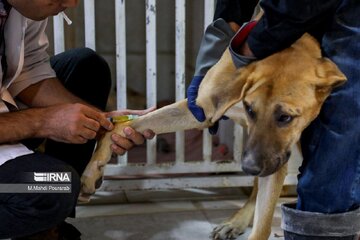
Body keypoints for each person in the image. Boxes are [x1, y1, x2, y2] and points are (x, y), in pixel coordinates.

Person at [188, 0, 360, 239]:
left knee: (340, 119)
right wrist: (214, 54)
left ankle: (322, 228)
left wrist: (250, 47)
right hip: (295, 14)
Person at [0, 0, 154, 239]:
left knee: (86, 67)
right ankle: (40, 206)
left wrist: (100, 120)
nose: (71, 3)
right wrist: (43, 121)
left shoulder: (18, 8)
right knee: (55, 184)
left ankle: (43, 228)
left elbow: (27, 70)